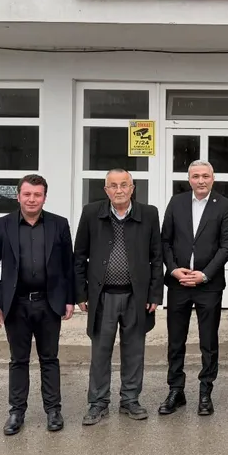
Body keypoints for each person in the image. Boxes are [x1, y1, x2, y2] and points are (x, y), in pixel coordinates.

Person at [0, 174, 75, 436]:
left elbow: (68, 266)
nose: (32, 199)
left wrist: (69, 298)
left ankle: (53, 410)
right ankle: (16, 412)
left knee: (50, 359)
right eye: (27, 194)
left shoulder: (59, 224)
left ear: (44, 197)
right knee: (18, 360)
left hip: (49, 303)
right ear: (18, 196)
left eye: (37, 195)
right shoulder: (1, 226)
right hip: (16, 304)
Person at [74, 169, 163, 426]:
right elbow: (79, 256)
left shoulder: (148, 214)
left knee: (134, 351)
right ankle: (98, 402)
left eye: (124, 185)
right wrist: (80, 292)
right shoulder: (92, 213)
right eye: (113, 186)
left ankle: (130, 400)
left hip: (136, 295)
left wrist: (155, 293)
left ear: (132, 188)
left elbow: (156, 257)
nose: (119, 190)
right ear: (106, 190)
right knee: (100, 352)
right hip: (102, 296)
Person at [159, 160, 228, 416]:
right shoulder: (176, 202)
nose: (201, 180)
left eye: (205, 176)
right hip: (179, 283)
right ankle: (176, 390)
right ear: (189, 179)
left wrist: (204, 274)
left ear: (213, 178)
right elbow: (165, 241)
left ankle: (205, 391)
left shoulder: (224, 205)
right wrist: (173, 269)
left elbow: (227, 245)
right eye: (196, 176)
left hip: (208, 285)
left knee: (208, 341)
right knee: (175, 340)